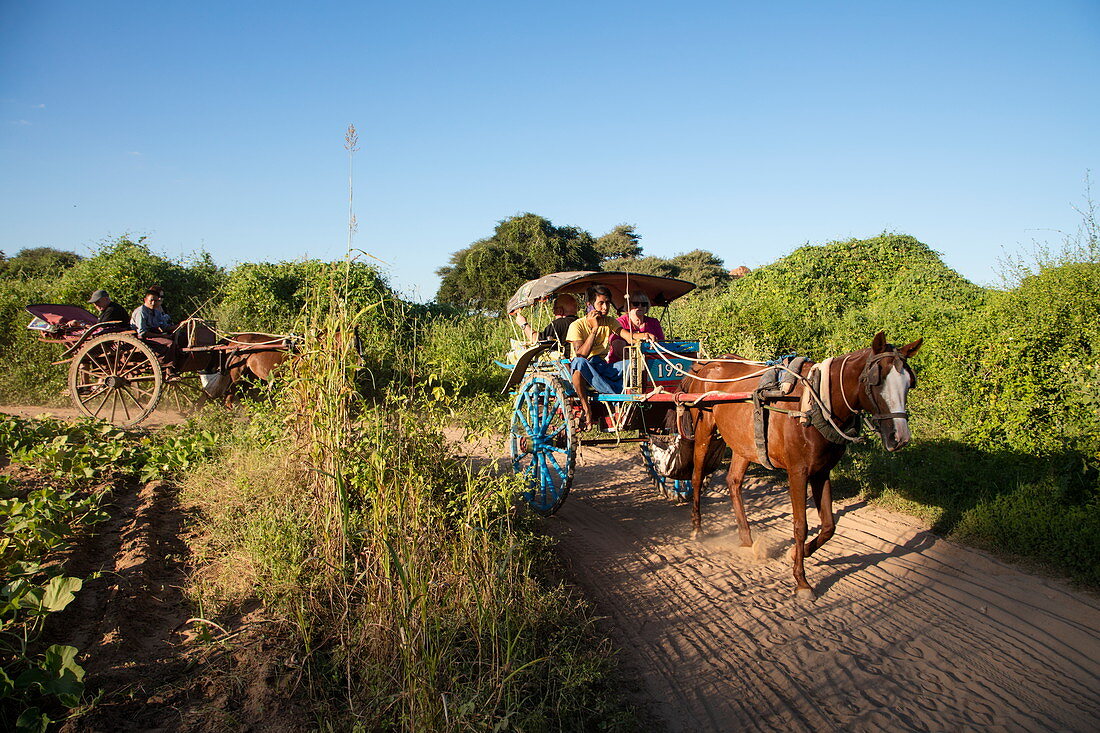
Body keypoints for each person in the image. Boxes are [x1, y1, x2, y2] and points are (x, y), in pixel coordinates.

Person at [567, 284, 656, 430]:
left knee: (633, 364)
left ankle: (618, 393)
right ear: (589, 305)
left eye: (607, 303)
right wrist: (594, 328)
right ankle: (589, 407)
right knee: (578, 362)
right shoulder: (577, 325)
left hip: (602, 367)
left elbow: (629, 337)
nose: (605, 308)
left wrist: (644, 336)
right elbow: (581, 354)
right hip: (585, 369)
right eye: (600, 303)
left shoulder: (609, 321)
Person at [608, 291, 664, 363]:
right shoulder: (620, 322)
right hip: (623, 365)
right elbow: (619, 351)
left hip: (651, 363)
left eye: (643, 304)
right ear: (628, 305)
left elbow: (661, 344)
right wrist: (638, 364)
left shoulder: (654, 323)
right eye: (636, 304)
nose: (640, 306)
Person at [513, 294, 579, 356]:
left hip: (565, 363)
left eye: (554, 309)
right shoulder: (580, 323)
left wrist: (524, 324)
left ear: (560, 310)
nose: (553, 312)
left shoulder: (559, 324)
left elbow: (537, 341)